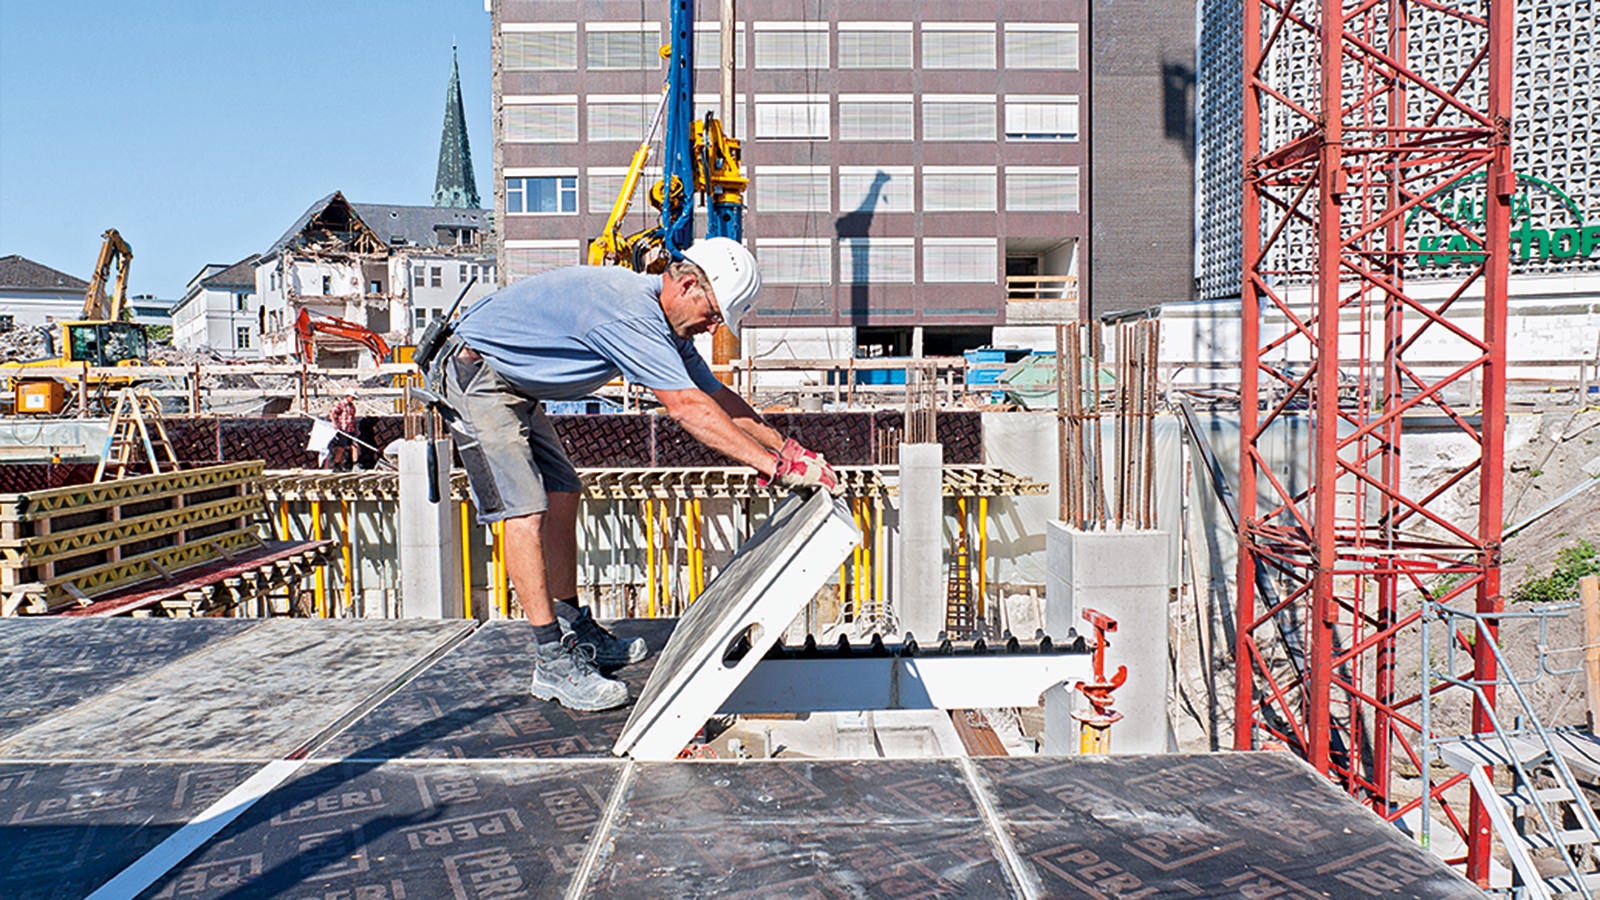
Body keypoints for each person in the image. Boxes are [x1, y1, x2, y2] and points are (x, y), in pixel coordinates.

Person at [430, 237, 840, 712]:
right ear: (687, 285)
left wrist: (789, 450)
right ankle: (550, 660)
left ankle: (573, 626)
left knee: (563, 488)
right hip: (476, 376)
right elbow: (687, 409)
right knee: (524, 509)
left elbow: (716, 397)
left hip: (512, 380)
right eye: (712, 314)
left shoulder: (667, 325)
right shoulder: (632, 315)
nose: (711, 329)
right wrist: (774, 469)